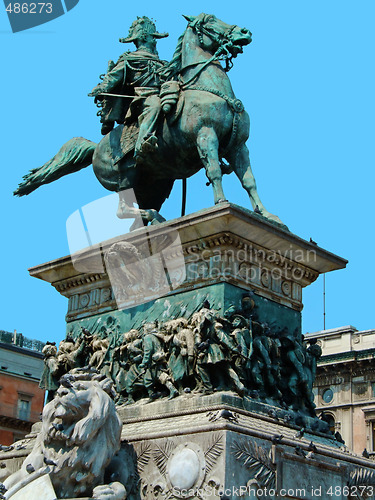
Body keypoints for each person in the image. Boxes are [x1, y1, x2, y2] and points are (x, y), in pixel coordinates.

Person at [88, 16, 168, 158]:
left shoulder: (163, 63)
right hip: (144, 99)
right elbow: (113, 77)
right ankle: (142, 145)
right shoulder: (130, 60)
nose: (155, 40)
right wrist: (101, 88)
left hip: (165, 96)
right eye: (153, 37)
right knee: (155, 105)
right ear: (144, 37)